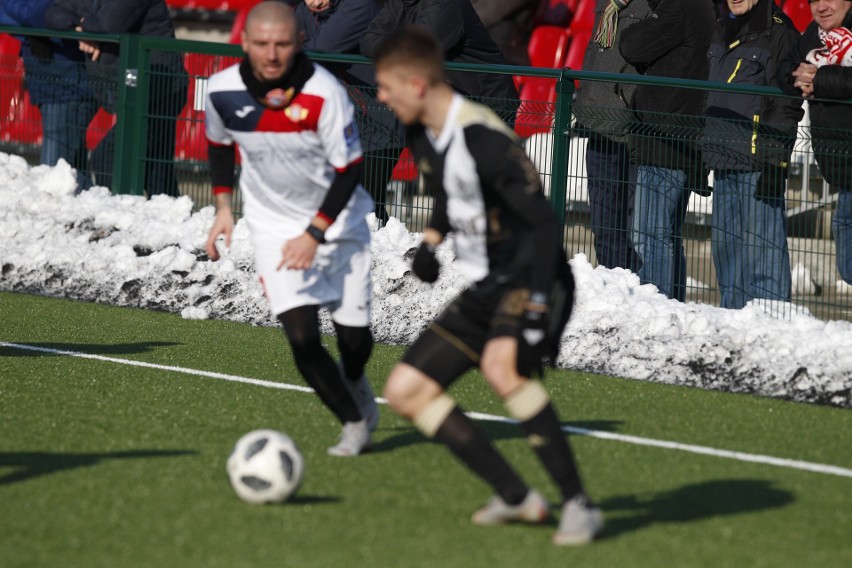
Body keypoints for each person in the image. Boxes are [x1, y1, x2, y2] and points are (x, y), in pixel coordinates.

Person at [373, 27, 603, 545]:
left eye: (386, 86)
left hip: (531, 272)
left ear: (416, 83)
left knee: (502, 369)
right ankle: (517, 497)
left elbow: (544, 226)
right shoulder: (421, 131)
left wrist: (541, 302)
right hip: (489, 281)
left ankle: (579, 505)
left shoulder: (483, 137)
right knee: (406, 392)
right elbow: (450, 194)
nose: (380, 96)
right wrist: (431, 242)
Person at [204, 1, 378, 456]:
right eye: (261, 44)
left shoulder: (325, 92)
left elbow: (349, 170)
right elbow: (219, 145)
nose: (272, 54)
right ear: (244, 43)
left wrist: (314, 233)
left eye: (282, 43)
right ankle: (354, 421)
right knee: (302, 339)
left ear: (299, 41)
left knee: (354, 342)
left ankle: (354, 378)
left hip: (339, 224)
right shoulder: (222, 90)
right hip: (273, 228)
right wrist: (224, 207)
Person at [702, 0, 804, 309]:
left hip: (758, 160)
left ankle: (772, 326)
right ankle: (734, 325)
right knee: (726, 251)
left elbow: (787, 104)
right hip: (722, 157)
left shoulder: (781, 32)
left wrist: (776, 161)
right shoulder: (721, 28)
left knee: (764, 251)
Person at [619, 0, 715, 301]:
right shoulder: (700, 7)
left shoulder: (680, 6)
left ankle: (657, 307)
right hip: (678, 135)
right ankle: (672, 307)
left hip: (665, 138)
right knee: (666, 235)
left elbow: (632, 46)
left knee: (650, 235)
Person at [46, 0, 188, 197]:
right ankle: (171, 221)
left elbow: (110, 23)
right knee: (156, 171)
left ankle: (119, 217)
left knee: (108, 158)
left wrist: (88, 29)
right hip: (136, 89)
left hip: (159, 88)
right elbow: (53, 12)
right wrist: (81, 30)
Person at [296, 0, 402, 226]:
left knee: (367, 202)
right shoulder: (305, 11)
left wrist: (294, 54)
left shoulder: (359, 6)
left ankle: (379, 251)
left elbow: (321, 48)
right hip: (345, 122)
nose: (314, 2)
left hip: (379, 121)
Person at [573, 0, 652, 272]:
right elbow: (595, 55)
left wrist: (625, 100)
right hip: (598, 122)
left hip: (631, 127)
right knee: (604, 224)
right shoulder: (606, 4)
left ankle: (638, 293)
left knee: (633, 227)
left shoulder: (656, 5)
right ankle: (614, 286)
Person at [784, 0, 852, 285]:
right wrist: (798, 78)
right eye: (813, 0)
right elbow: (787, 68)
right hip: (840, 160)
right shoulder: (813, 35)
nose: (821, 7)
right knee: (844, 228)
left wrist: (819, 79)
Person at [0, 0, 98, 192]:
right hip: (50, 85)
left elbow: (42, 13)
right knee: (72, 175)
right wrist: (31, 32)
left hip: (68, 87)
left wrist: (36, 26)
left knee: (53, 178)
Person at [360, 0, 519, 116]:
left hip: (487, 103)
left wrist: (393, 41)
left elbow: (417, 49)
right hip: (450, 102)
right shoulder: (399, 3)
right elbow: (367, 41)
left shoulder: (445, 3)